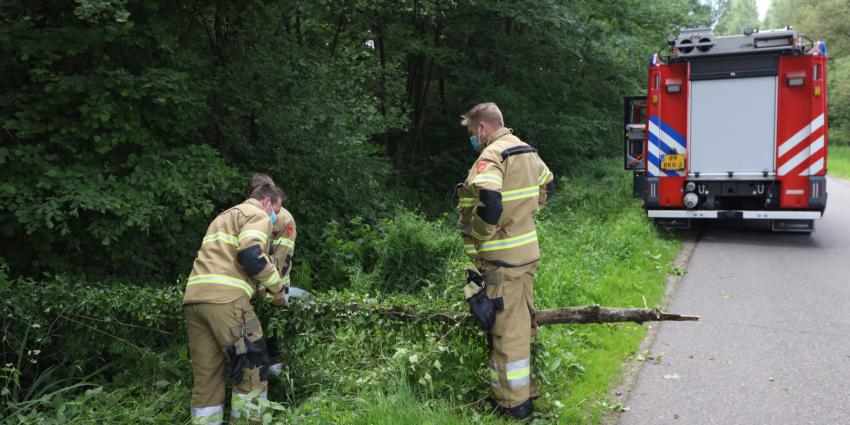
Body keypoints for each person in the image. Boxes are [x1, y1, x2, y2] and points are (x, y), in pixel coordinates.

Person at [456, 102, 554, 419]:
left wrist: (484, 233)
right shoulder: (526, 150)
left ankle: (512, 405)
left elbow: (490, 200)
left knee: (505, 334)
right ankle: (528, 391)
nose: (473, 138)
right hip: (526, 256)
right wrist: (527, 213)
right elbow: (546, 183)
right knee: (523, 325)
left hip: (502, 261)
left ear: (483, 128)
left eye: (473, 132)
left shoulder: (493, 154)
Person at [183, 183, 289, 424]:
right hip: (227, 303)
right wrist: (278, 288)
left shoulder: (223, 216)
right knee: (252, 367)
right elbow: (250, 254)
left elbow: (231, 260)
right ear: (266, 202)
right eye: (277, 210)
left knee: (207, 376)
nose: (276, 218)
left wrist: (259, 287)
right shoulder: (258, 214)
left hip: (194, 302)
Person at [244, 174, 297, 296]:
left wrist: (269, 288)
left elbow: (281, 258)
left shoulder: (284, 220)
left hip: (273, 291)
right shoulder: (243, 213)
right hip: (246, 287)